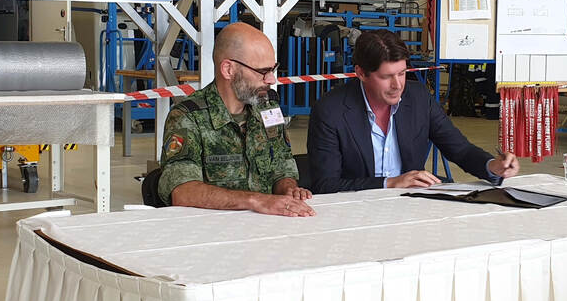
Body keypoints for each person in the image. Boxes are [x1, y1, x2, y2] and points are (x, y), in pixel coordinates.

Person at [307, 29, 519, 194]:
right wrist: (389, 183)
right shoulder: (330, 110)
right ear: (361, 73)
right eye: (386, 77)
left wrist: (492, 166)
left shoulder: (418, 97)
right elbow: (325, 185)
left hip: (410, 204)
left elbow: (460, 149)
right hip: (354, 211)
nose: (397, 85)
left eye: (402, 73)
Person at [158, 22, 315, 217]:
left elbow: (282, 164)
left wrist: (288, 189)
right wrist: (256, 201)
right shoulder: (188, 117)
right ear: (228, 70)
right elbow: (183, 191)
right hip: (213, 227)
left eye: (273, 70)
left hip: (268, 223)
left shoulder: (268, 107)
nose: (271, 79)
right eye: (262, 71)